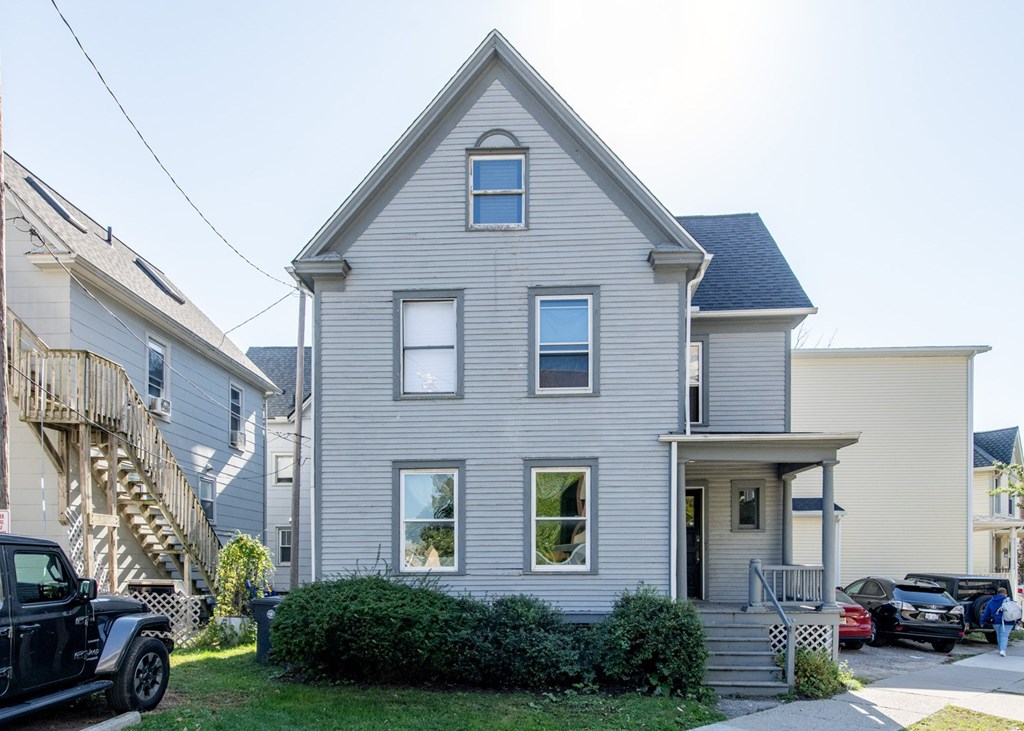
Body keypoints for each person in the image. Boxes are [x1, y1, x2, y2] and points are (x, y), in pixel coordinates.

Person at [981, 587, 1018, 657]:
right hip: (1008, 621)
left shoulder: (991, 601)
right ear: (1005, 593)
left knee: (999, 634)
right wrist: (1018, 620)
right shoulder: (1009, 600)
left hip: (996, 621)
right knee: (1004, 635)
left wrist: (982, 621)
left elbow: (986, 612)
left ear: (998, 593)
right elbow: (1015, 610)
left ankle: (1000, 649)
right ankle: (1002, 650)